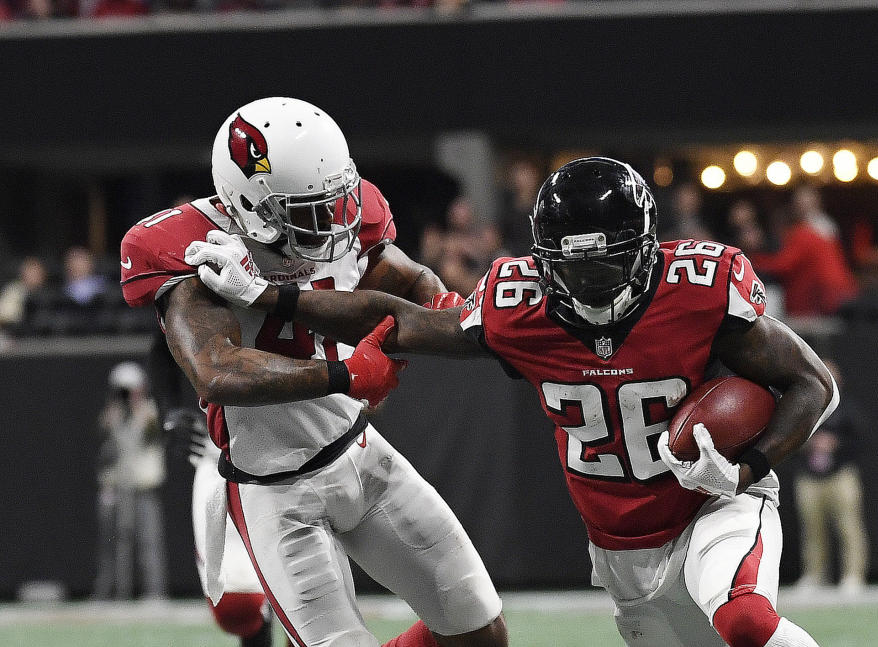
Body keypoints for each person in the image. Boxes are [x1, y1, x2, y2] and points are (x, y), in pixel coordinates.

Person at [190, 157, 839, 647]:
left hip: (712, 505)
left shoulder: (699, 287)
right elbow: (399, 318)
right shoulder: (520, 303)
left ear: (646, 250)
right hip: (620, 543)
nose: (586, 286)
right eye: (571, 267)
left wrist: (744, 468)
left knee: (746, 619)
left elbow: (814, 383)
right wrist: (271, 296)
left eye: (604, 266)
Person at [120, 97, 506, 647]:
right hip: (276, 492)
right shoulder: (192, 248)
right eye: (307, 209)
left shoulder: (349, 214)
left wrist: (444, 303)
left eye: (336, 201)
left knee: (479, 633)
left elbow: (405, 277)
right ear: (250, 205)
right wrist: (346, 377)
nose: (332, 221)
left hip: (362, 454)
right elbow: (216, 370)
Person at [148, 334, 281, 647]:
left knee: (312, 590)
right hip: (220, 450)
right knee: (237, 604)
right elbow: (162, 343)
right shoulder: (202, 288)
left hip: (299, 442)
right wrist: (167, 410)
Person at [92, 361, 168, 600]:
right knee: (113, 542)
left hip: (144, 486)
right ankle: (113, 591)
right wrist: (115, 412)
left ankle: (154, 592)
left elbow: (151, 427)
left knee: (149, 541)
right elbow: (105, 437)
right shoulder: (112, 414)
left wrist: (137, 408)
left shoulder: (149, 411)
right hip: (117, 485)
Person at [793, 359, 868, 595]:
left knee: (849, 527)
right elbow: (789, 439)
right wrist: (810, 444)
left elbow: (861, 441)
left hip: (841, 476)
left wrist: (836, 444)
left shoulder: (848, 408)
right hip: (810, 477)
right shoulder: (804, 407)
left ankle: (853, 576)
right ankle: (815, 575)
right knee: (812, 529)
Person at [748, 186, 858, 317]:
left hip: (826, 296)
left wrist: (750, 260)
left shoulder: (806, 233)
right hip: (838, 291)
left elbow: (783, 265)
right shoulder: (820, 230)